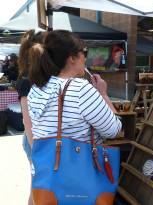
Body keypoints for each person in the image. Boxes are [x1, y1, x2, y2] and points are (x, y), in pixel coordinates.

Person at [27, 30, 122, 204]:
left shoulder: (37, 88)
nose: (85, 58)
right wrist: (104, 94)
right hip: (80, 180)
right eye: (83, 52)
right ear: (72, 58)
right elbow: (114, 130)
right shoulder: (80, 89)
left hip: (49, 177)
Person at [16, 29, 47, 205]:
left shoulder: (32, 77)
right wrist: (37, 150)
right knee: (38, 190)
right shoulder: (27, 79)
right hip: (34, 141)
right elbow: (27, 120)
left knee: (38, 188)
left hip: (37, 141)